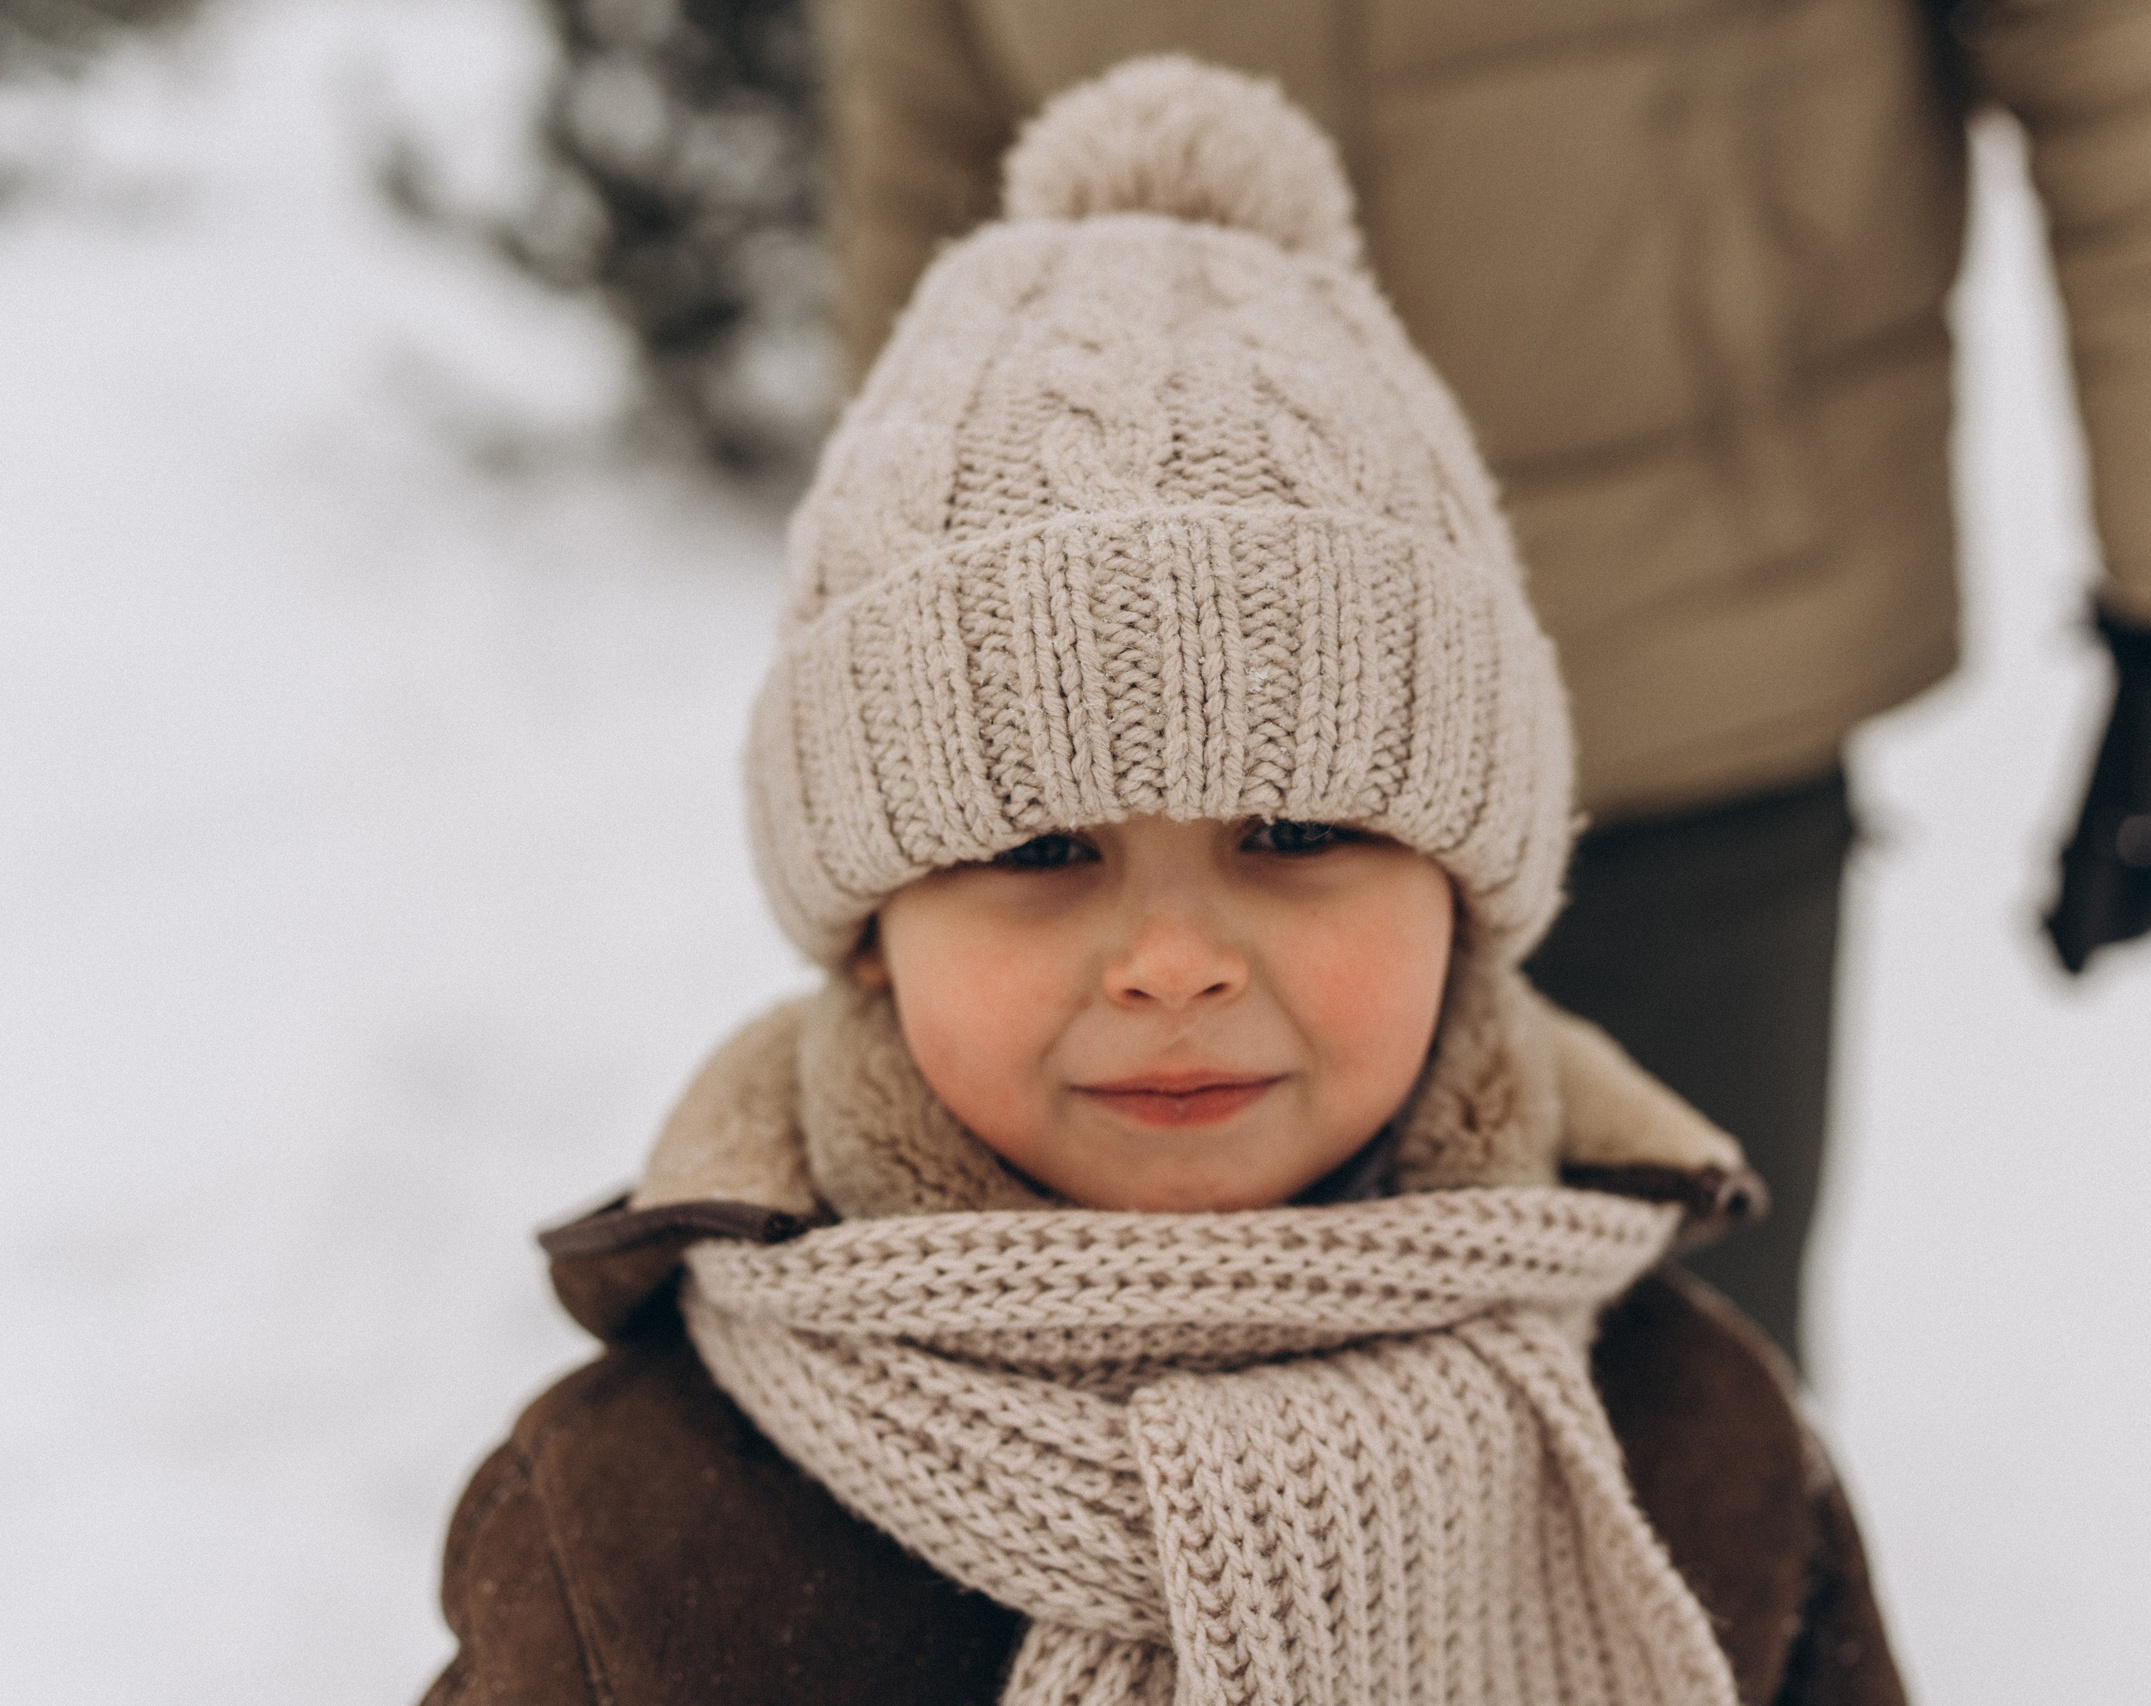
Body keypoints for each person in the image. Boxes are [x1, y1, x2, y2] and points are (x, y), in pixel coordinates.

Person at [422, 61, 1904, 1706]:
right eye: (1043, 849)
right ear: (868, 939)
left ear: (1467, 905)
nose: (1176, 960)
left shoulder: (1690, 1445)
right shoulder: (648, 1529)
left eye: (1296, 831)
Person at [802, 0, 2151, 1366]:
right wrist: (907, 670)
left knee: (1675, 1388)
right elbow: (931, 155)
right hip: (1131, 726)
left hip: (1685, 670)